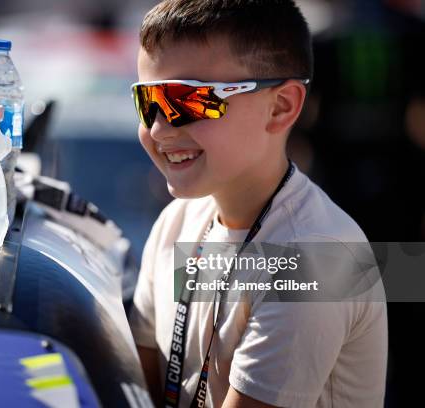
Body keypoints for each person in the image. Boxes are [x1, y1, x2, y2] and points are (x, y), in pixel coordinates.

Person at [127, 1, 388, 407]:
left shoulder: (315, 257)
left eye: (190, 100)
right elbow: (134, 391)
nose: (159, 128)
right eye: (148, 101)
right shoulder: (176, 221)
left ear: (281, 107)